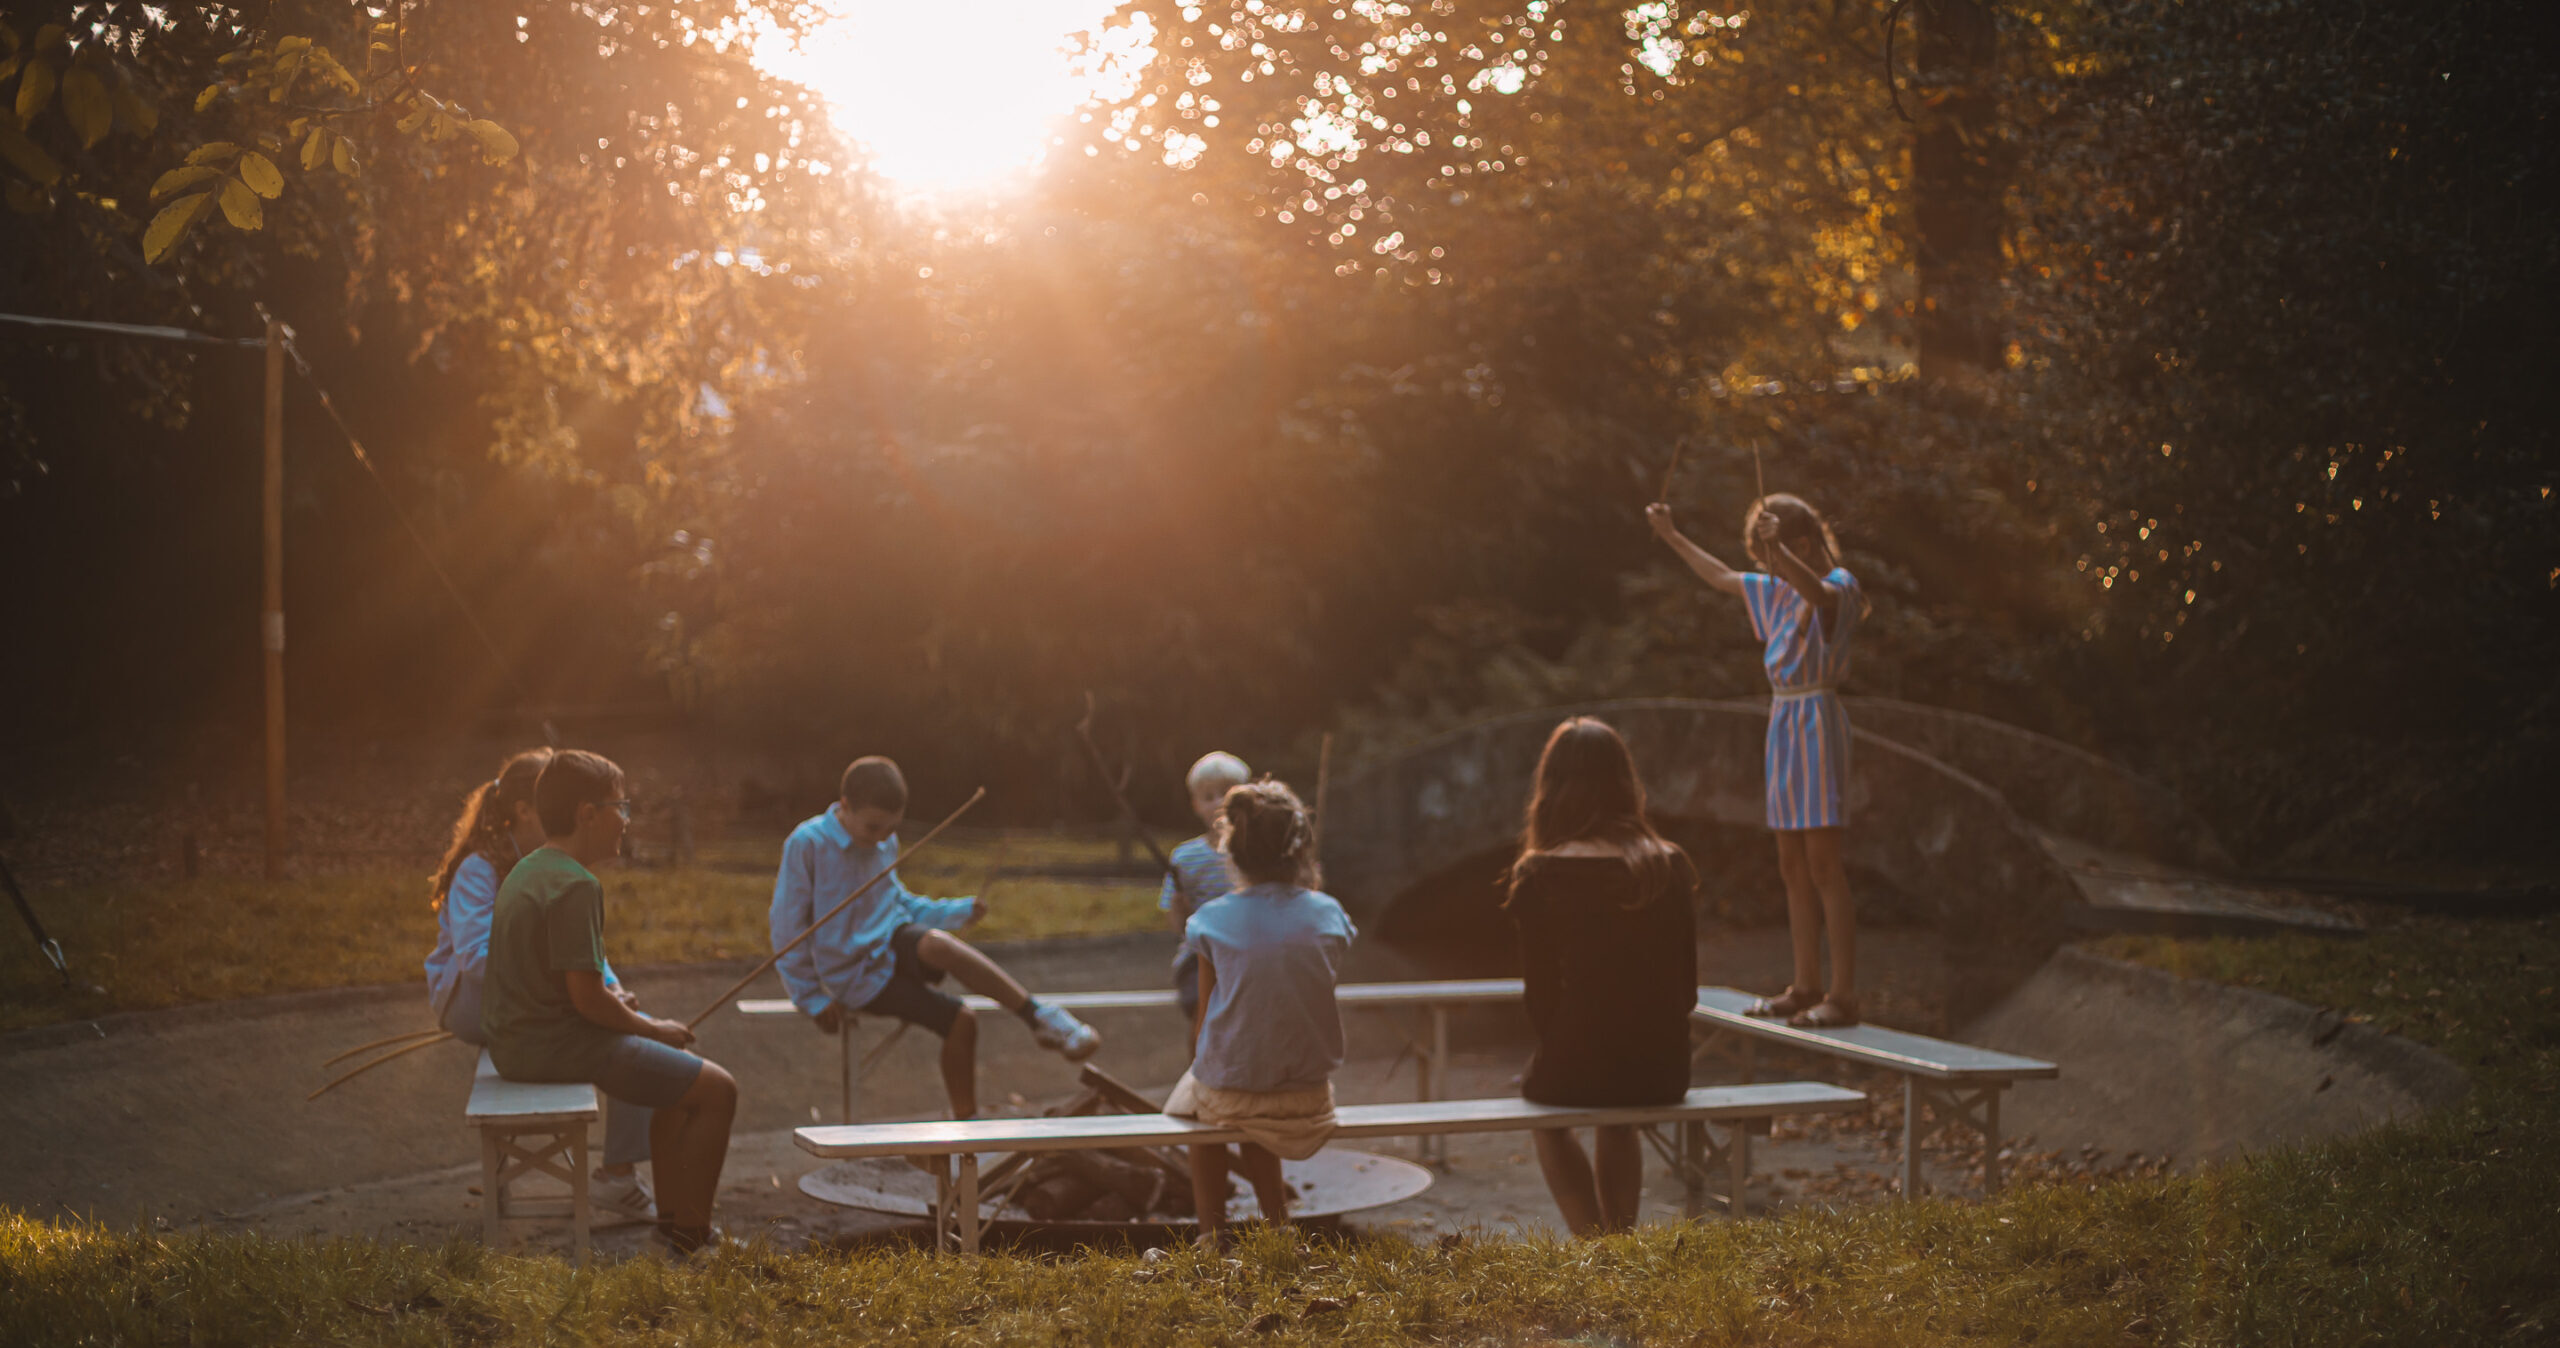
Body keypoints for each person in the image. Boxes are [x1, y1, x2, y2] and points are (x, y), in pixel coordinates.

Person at [482, 749, 739, 1256]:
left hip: (519, 1041)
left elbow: (562, 981)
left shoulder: (530, 868)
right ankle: (693, 1234)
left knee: (678, 1085)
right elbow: (588, 1002)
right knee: (718, 1090)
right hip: (556, 1046)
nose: (626, 820)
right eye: (620, 807)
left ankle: (671, 1222)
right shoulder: (577, 885)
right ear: (587, 814)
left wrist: (624, 1010)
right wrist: (650, 1027)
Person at [771, 756, 1100, 1122]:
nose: (880, 838)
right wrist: (810, 996)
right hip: (856, 974)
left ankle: (1040, 1018)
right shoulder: (807, 843)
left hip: (891, 940)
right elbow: (787, 926)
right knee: (963, 1021)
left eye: (890, 829)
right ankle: (967, 1127)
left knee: (939, 945)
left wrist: (956, 911)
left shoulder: (884, 842)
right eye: (873, 828)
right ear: (844, 806)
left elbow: (897, 901)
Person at [1646, 492, 1870, 1027]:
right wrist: (1671, 535)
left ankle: (1842, 994)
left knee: (1823, 863)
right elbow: (1721, 576)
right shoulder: (1771, 588)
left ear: (1802, 543)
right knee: (1790, 864)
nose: (1765, 569)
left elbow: (1814, 591)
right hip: (1783, 722)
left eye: (1771, 555)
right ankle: (1804, 984)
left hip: (1817, 717)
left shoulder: (1840, 585)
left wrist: (1780, 555)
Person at [424, 747, 655, 1223]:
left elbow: (583, 950)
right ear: (524, 810)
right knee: (630, 1035)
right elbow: (476, 959)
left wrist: (609, 989)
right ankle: (618, 1177)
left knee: (630, 1022)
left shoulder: (546, 865)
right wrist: (576, 994)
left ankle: (620, 1173)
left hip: (521, 995)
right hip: (470, 1000)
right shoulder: (480, 868)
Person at [1506, 717, 1700, 1236]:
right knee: (1620, 1117)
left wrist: (1560, 1049)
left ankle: (1594, 1246)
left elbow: (1541, 1001)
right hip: (1663, 1068)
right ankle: (1619, 1245)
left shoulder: (1539, 874)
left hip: (1579, 1066)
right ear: (1624, 783)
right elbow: (1687, 988)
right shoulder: (1670, 866)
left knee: (1547, 1120)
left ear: (1551, 790)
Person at [1165, 779, 1356, 1244]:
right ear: (1299, 852)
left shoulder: (1210, 920)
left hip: (1237, 1093)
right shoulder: (1328, 913)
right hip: (1310, 1092)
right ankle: (1277, 1223)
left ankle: (1212, 1232)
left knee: (1196, 1105)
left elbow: (1205, 1017)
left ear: (1231, 852)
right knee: (1253, 1079)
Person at [1160, 751, 1251, 1022]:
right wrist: (1179, 908)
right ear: (1196, 805)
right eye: (1208, 797)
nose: (1219, 802)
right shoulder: (1184, 857)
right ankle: (1202, 1061)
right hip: (1199, 955)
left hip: (1248, 951)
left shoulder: (1256, 853)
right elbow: (1176, 923)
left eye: (1227, 793)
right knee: (1204, 1009)